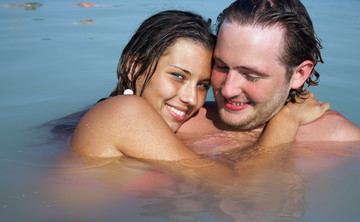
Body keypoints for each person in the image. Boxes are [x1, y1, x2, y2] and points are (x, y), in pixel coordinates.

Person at [69, 10, 329, 161]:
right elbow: (240, 190)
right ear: (134, 67)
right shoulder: (123, 113)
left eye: (203, 84)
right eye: (178, 76)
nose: (191, 98)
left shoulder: (119, 119)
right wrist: (287, 118)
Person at [177, 0, 360, 147]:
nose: (227, 90)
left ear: (300, 74)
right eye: (221, 66)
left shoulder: (342, 141)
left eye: (250, 75)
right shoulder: (179, 121)